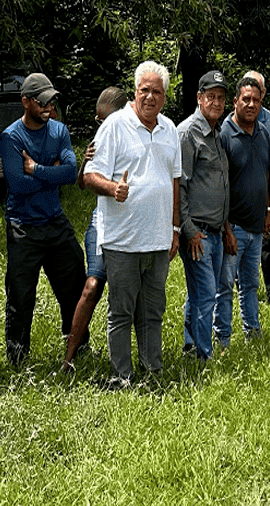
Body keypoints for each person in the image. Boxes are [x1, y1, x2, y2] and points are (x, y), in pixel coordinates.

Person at [83, 61, 181, 385]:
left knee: (153, 312)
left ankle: (152, 371)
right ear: (136, 91)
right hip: (122, 241)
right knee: (121, 312)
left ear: (165, 97)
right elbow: (89, 174)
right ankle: (122, 376)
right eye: (145, 90)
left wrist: (175, 229)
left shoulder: (169, 130)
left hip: (157, 239)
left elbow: (175, 182)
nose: (150, 97)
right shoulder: (114, 125)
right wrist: (113, 188)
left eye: (157, 92)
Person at [0, 73, 84, 365]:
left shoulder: (59, 130)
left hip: (56, 222)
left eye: (51, 100)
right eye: (42, 101)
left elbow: (71, 173)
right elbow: (17, 184)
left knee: (75, 285)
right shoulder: (11, 136)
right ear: (25, 101)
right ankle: (18, 355)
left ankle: (78, 346)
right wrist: (52, 173)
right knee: (21, 297)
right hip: (23, 227)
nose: (49, 106)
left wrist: (35, 169)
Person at [62, 86, 128, 372]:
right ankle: (69, 357)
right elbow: (82, 183)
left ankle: (126, 359)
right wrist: (86, 162)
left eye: (106, 120)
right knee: (92, 286)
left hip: (131, 226)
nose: (101, 126)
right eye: (98, 121)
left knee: (128, 294)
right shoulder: (99, 140)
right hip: (102, 220)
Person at [177, 71, 233, 359]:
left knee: (199, 292)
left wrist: (225, 227)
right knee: (206, 293)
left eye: (221, 97)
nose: (216, 101)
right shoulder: (188, 133)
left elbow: (218, 184)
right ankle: (203, 355)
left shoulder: (217, 132)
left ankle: (191, 344)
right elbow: (180, 185)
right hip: (197, 231)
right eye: (210, 96)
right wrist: (188, 230)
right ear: (199, 98)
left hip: (216, 230)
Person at [218, 74, 270, 346]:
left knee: (251, 286)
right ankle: (222, 339)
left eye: (256, 99)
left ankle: (252, 333)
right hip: (234, 226)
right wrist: (226, 227)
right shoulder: (224, 135)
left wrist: (266, 212)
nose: (251, 104)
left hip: (255, 226)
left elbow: (264, 174)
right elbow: (221, 185)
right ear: (236, 101)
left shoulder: (263, 133)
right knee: (225, 286)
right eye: (246, 99)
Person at [250, 70, 270, 305]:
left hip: (268, 191)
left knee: (268, 244)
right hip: (244, 195)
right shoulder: (231, 122)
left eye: (257, 89)